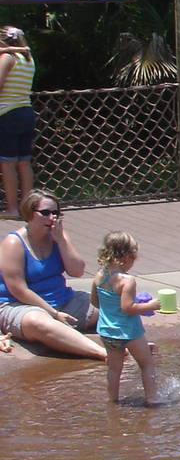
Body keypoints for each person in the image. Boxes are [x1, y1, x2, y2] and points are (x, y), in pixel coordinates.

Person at [0, 190, 105, 359]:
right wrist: (53, 313)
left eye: (56, 213)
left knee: (111, 303)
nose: (52, 218)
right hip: (20, 306)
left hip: (63, 300)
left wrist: (61, 241)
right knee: (38, 322)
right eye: (45, 213)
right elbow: (19, 290)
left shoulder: (58, 235)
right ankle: (103, 353)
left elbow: (77, 271)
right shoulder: (13, 243)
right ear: (29, 214)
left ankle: (136, 344)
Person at [95, 231, 161, 405]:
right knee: (146, 364)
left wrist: (113, 306)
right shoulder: (127, 281)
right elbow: (128, 308)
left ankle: (112, 401)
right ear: (127, 256)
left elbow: (95, 301)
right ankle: (152, 400)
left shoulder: (99, 275)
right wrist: (151, 306)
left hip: (107, 332)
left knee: (114, 368)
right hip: (129, 332)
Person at [0, 26, 37, 220]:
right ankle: (27, 209)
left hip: (7, 113)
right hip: (26, 111)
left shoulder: (8, 58)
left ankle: (12, 209)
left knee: (8, 163)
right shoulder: (27, 59)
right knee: (24, 162)